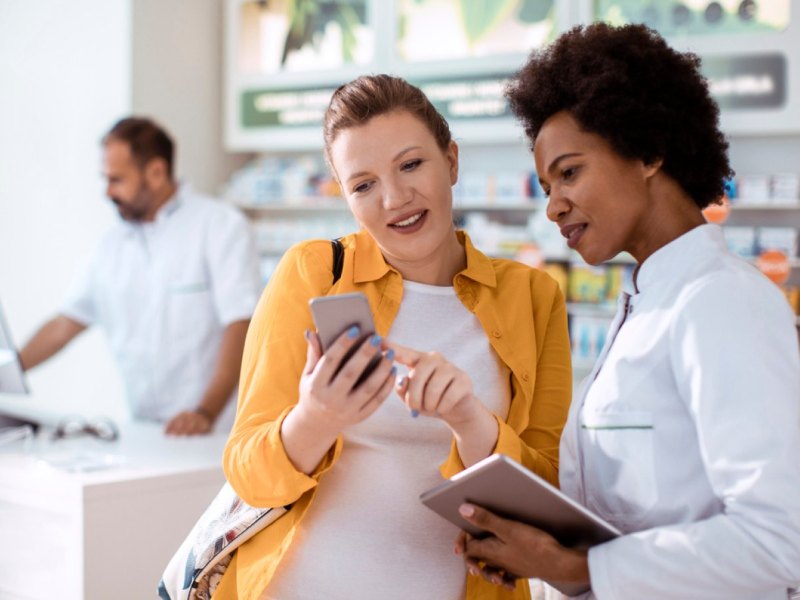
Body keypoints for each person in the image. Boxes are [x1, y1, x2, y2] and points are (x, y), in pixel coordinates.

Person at [455, 22, 800, 599]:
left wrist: (579, 569)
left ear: (648, 151)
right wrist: (543, 555)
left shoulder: (722, 301)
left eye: (569, 172)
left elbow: (778, 541)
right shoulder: (647, 304)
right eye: (545, 185)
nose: (554, 206)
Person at [217, 74, 573, 600]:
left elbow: (549, 497)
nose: (395, 198)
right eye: (363, 184)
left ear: (451, 161)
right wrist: (316, 419)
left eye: (411, 165)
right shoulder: (312, 273)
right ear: (346, 196)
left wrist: (472, 423)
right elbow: (248, 473)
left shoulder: (533, 296)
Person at [18, 117, 261, 436]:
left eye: (117, 179)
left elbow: (241, 324)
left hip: (216, 429)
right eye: (105, 179)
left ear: (156, 172)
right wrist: (9, 371)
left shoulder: (220, 226)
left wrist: (205, 411)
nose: (107, 192)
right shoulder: (111, 245)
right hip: (146, 430)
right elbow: (66, 323)